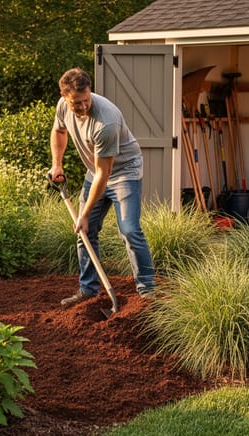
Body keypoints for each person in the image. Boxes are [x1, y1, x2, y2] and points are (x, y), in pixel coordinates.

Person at [49, 68, 156, 305]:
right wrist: (57, 164)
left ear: (90, 91)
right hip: (95, 172)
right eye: (77, 102)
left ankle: (147, 290)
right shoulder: (62, 106)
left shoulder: (105, 121)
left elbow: (104, 175)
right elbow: (58, 131)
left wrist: (85, 214)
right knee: (84, 232)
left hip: (123, 172)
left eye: (86, 99)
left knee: (128, 229)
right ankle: (88, 290)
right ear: (64, 96)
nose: (83, 106)